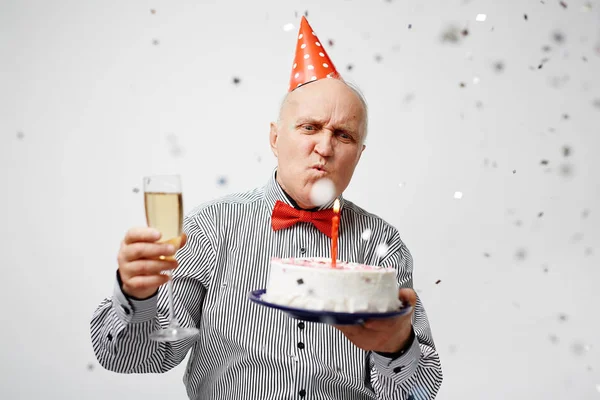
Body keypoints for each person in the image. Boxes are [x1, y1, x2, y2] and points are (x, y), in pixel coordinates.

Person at [91, 16, 442, 399]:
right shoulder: (210, 228)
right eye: (309, 127)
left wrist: (398, 346)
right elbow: (134, 357)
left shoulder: (384, 245)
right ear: (275, 138)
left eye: (343, 135)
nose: (324, 148)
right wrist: (136, 296)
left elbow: (418, 393)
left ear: (358, 154)